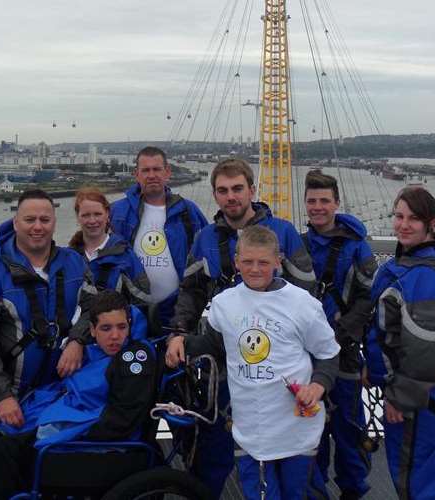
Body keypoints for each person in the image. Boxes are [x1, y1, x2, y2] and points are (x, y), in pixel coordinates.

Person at [169, 157, 316, 498]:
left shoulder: (282, 233)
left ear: (252, 190)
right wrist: (178, 333)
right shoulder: (206, 238)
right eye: (223, 191)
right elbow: (191, 293)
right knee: (218, 444)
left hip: (278, 362)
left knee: (291, 452)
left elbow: (307, 294)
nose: (231, 197)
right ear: (215, 195)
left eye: (238, 189)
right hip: (225, 360)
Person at [166, 225, 339, 500]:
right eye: (247, 261)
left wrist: (317, 387)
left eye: (263, 262)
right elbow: (213, 345)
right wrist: (180, 341)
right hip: (251, 431)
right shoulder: (224, 304)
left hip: (297, 429)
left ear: (278, 262)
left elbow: (329, 354)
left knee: (299, 494)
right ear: (236, 262)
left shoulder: (303, 305)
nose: (255, 269)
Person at [0, 290, 157, 500]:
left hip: (98, 441)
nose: (115, 336)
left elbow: (122, 419)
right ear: (92, 330)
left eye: (121, 327)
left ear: (129, 325)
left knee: (7, 450)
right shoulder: (92, 350)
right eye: (106, 328)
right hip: (75, 418)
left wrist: (69, 435)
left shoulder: (133, 358)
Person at [365, 186, 435, 500]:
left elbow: (425, 349)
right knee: (422, 475)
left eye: (413, 218)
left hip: (418, 396)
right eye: (399, 216)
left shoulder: (427, 276)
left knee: (417, 482)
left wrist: (401, 398)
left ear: (431, 224)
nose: (403, 225)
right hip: (421, 391)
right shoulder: (422, 262)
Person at [0, 189, 97, 430]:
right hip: (12, 401)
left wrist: (78, 340)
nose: (38, 227)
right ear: (15, 223)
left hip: (64, 393)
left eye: (45, 220)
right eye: (29, 220)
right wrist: (1, 396)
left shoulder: (74, 263)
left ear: (54, 223)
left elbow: (93, 308)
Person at [303, 170, 378, 500]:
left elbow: (368, 299)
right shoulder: (299, 244)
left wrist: (340, 334)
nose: (317, 207)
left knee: (348, 427)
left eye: (324, 201)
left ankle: (352, 490)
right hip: (306, 353)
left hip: (342, 349)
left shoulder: (357, 248)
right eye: (312, 201)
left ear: (336, 203)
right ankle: (315, 490)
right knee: (310, 428)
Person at [109, 146, 208, 327]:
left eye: (157, 169)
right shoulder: (118, 211)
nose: (151, 175)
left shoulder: (188, 210)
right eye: (145, 170)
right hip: (129, 311)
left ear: (167, 172)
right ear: (136, 174)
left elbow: (208, 252)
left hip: (178, 310)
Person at [68, 187, 151, 306]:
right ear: (78, 217)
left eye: (97, 214)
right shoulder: (69, 257)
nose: (92, 220)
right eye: (86, 215)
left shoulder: (126, 257)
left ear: (107, 214)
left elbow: (145, 302)